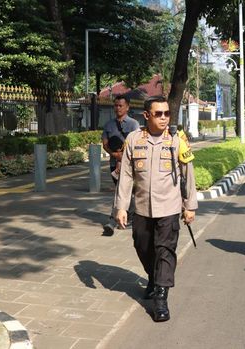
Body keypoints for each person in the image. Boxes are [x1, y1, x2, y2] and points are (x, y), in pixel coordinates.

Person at [114, 96, 197, 322]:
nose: (163, 118)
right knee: (142, 245)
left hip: (169, 207)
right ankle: (152, 276)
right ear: (147, 115)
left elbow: (188, 174)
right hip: (141, 207)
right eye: (158, 114)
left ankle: (161, 298)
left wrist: (189, 206)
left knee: (165, 251)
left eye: (167, 114)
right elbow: (126, 176)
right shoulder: (133, 139)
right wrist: (121, 207)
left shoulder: (177, 140)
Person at [101, 95, 140, 235]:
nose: (118, 108)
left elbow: (135, 144)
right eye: (116, 105)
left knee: (121, 190)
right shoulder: (109, 125)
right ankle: (130, 215)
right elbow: (105, 144)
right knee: (125, 191)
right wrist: (114, 155)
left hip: (129, 165)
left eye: (121, 105)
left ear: (127, 107)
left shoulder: (134, 124)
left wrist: (122, 158)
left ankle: (113, 220)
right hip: (114, 164)